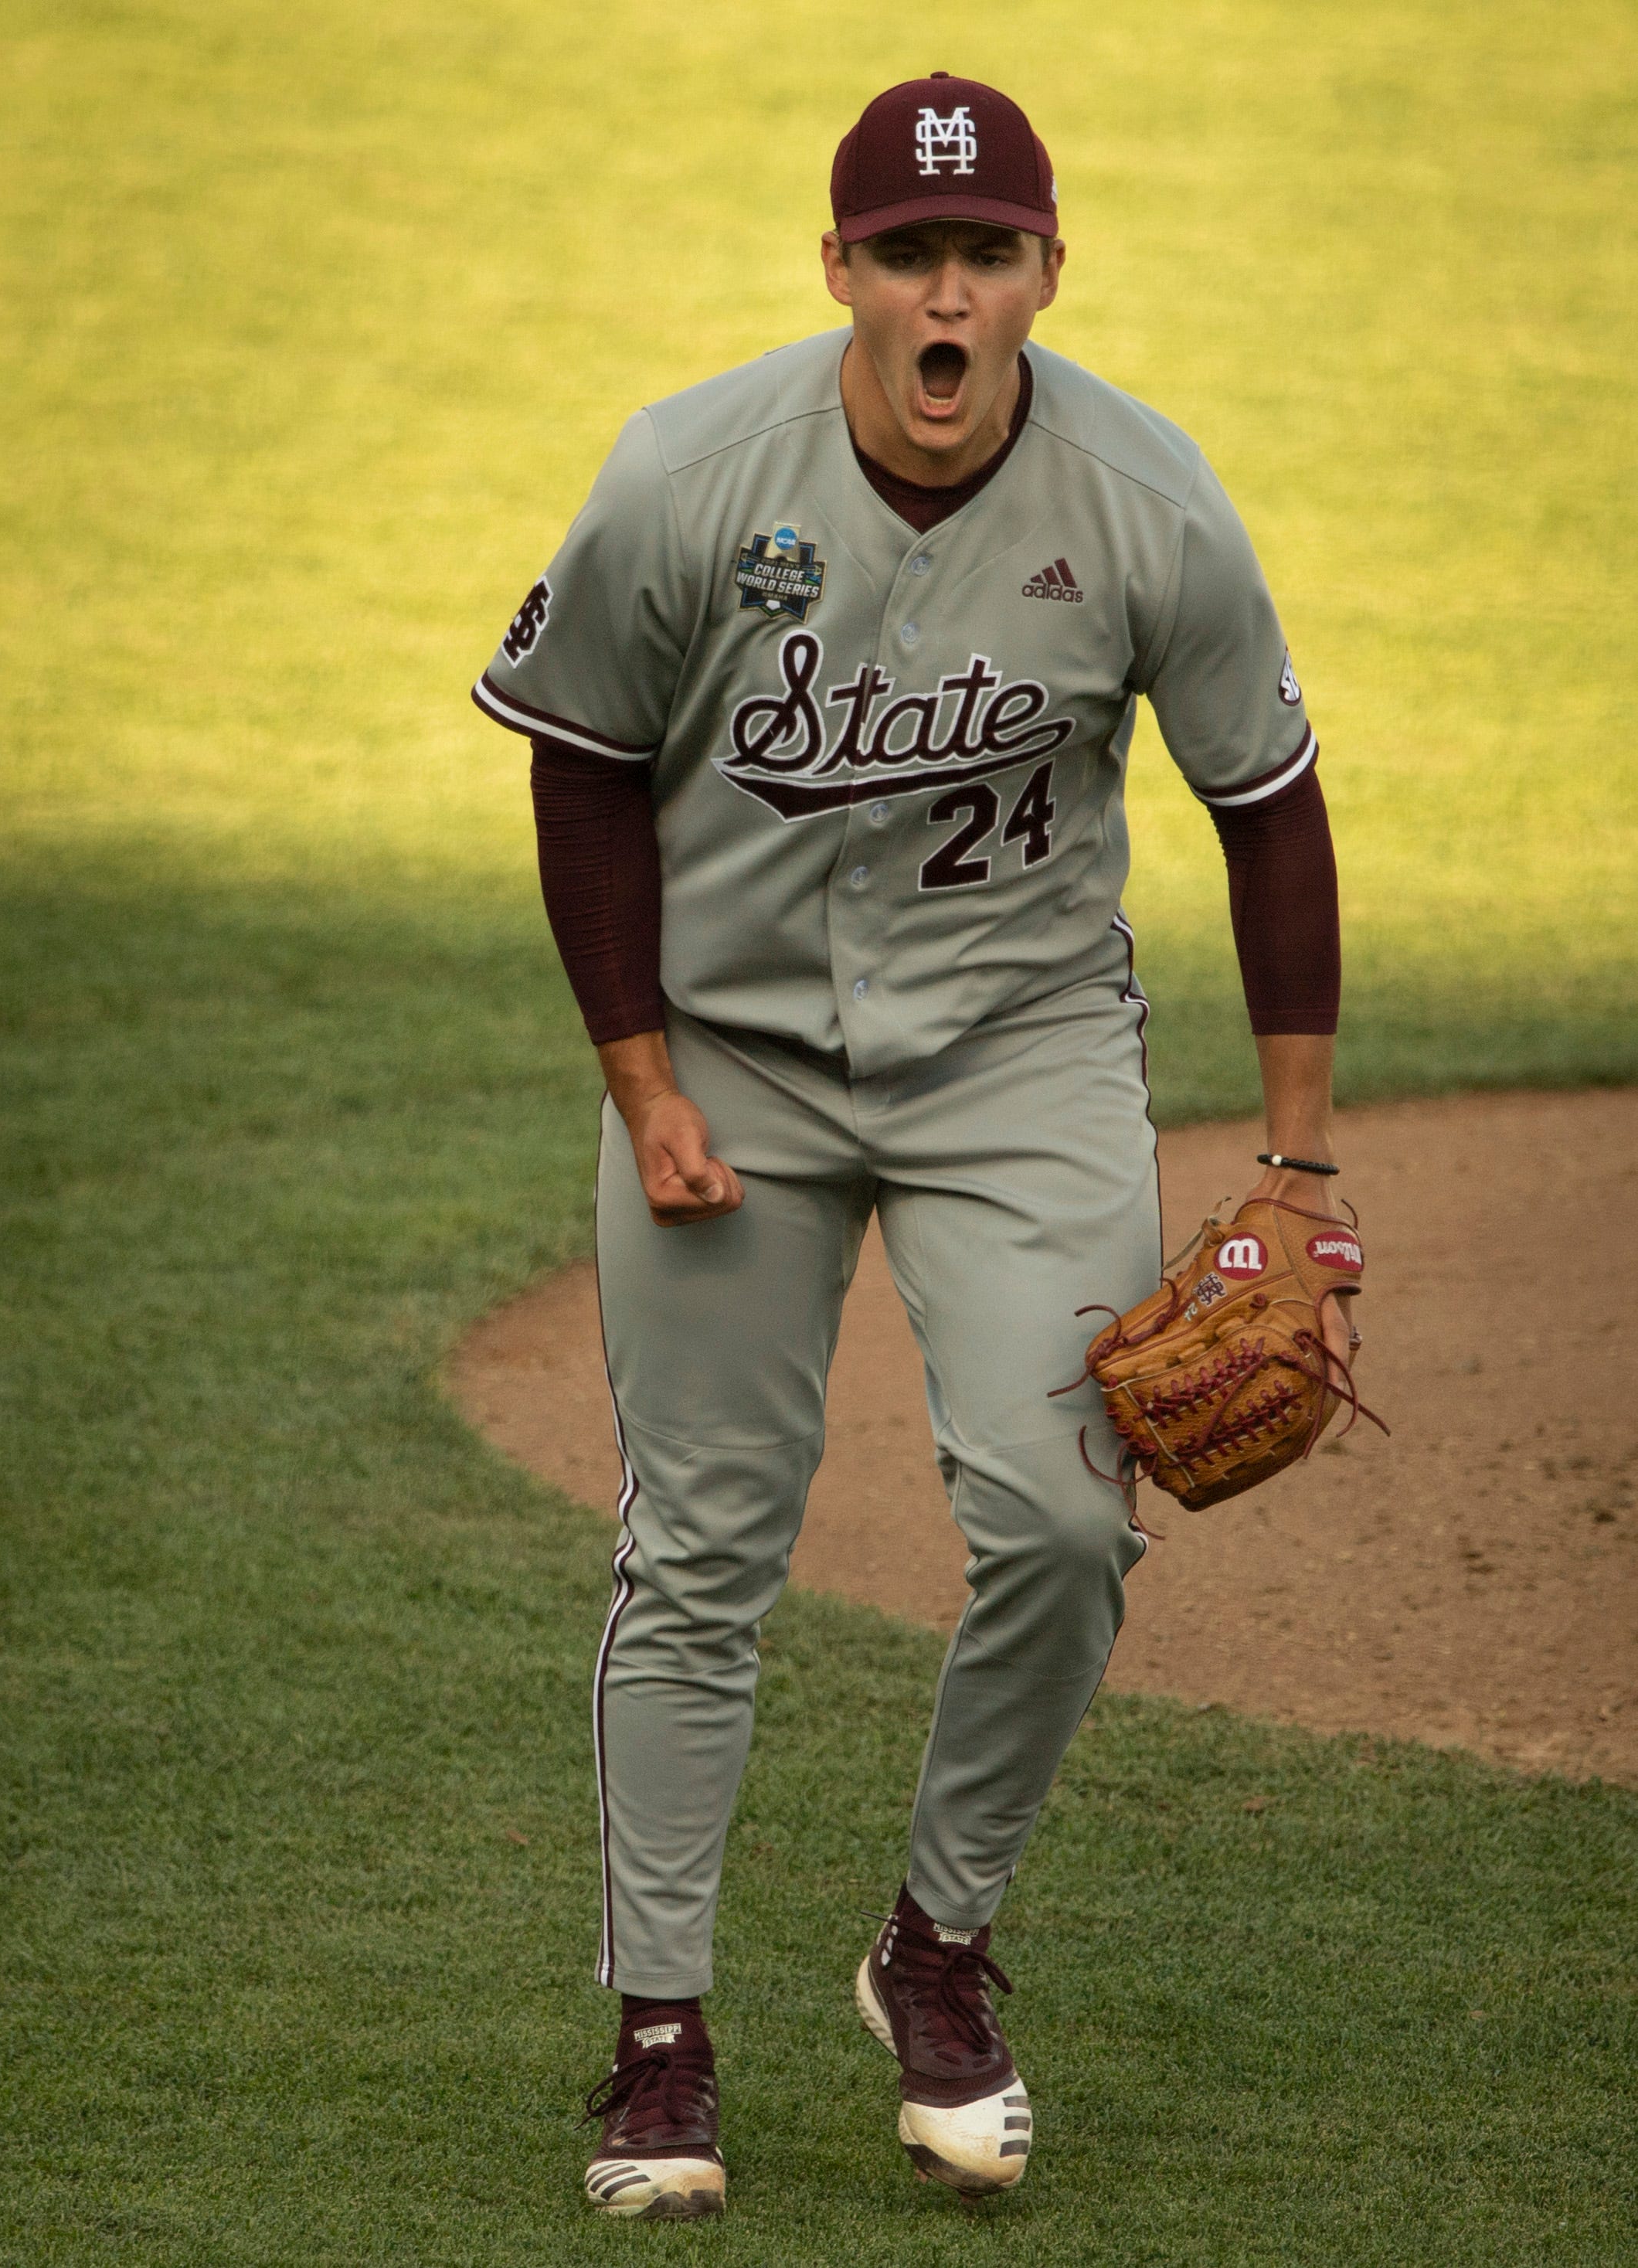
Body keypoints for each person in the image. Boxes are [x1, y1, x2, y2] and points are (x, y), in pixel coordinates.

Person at [471, 71, 1351, 2220]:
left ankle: (933, 1953)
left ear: (1048, 270)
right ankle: (657, 2043)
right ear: (838, 270)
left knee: (1065, 1523)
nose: (946, 293)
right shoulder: (694, 474)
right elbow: (581, 764)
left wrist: (1302, 1170)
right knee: (699, 1548)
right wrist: (644, 1078)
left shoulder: (1147, 498)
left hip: (1020, 1059)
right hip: (735, 1069)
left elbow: (1268, 804)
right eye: (905, 253)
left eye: (987, 253)